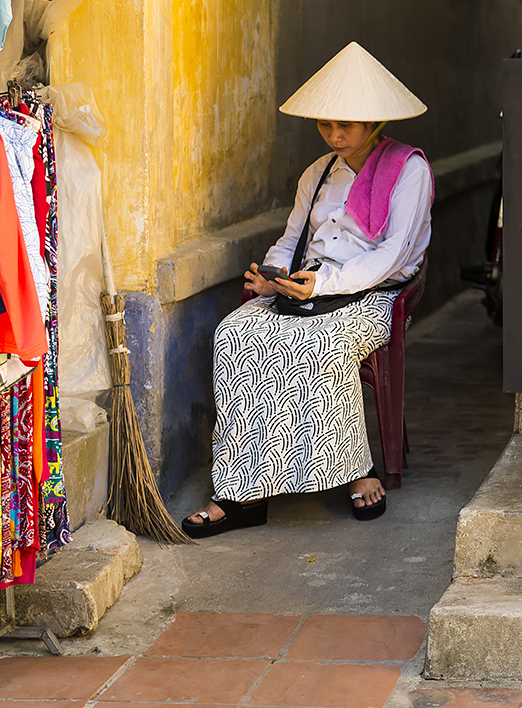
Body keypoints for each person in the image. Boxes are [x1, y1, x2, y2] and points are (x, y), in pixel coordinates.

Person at [181, 42, 433, 538]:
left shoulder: (409, 170)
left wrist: (327, 283)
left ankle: (356, 472)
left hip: (374, 291)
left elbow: (393, 255)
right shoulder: (317, 175)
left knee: (323, 345)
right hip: (309, 286)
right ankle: (241, 494)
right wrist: (270, 276)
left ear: (374, 122)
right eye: (325, 125)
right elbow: (293, 237)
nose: (334, 136)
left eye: (346, 125)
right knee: (235, 335)